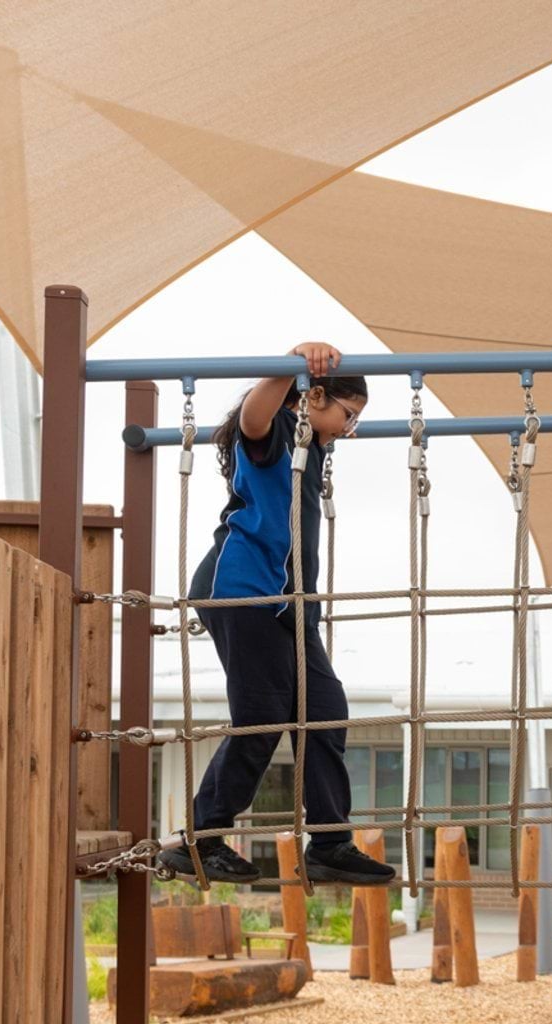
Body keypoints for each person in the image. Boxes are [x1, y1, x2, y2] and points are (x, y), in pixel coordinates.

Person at [158, 342, 396, 886]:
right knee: (263, 719)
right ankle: (201, 838)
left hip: (290, 604)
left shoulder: (312, 446)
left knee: (325, 708)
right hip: (243, 592)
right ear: (313, 397)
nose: (350, 428)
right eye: (348, 414)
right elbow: (253, 414)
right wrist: (292, 362)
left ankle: (331, 842)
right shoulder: (276, 435)